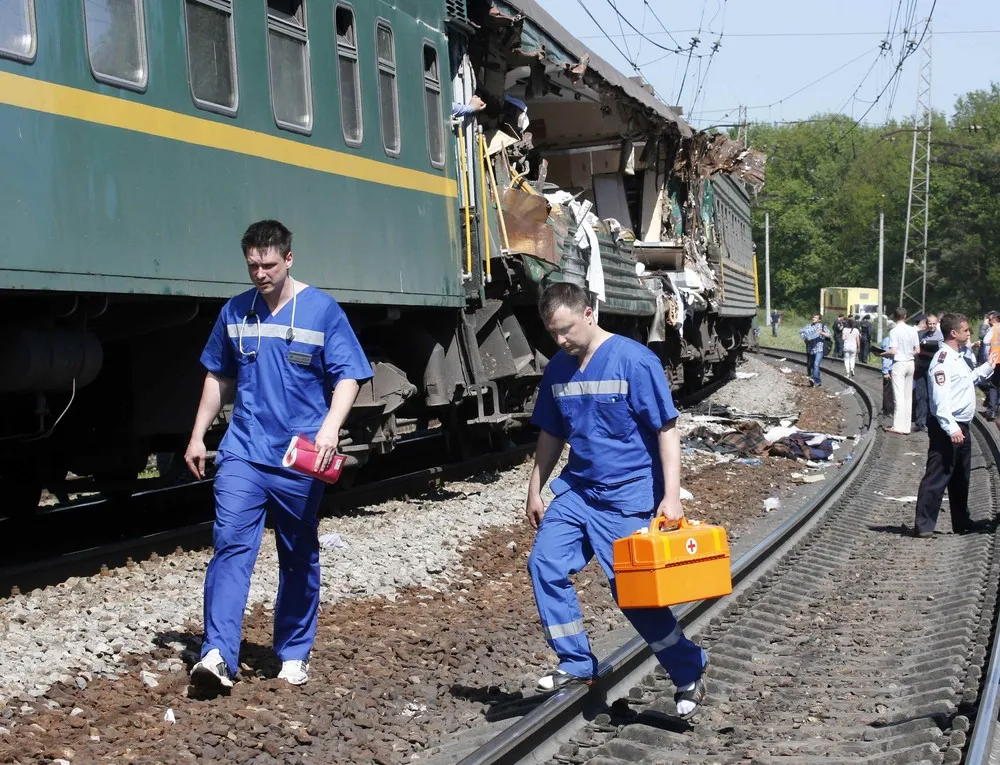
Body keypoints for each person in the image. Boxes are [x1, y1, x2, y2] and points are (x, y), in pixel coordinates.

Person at [184, 220, 373, 691]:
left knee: (298, 553)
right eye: (252, 265)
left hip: (298, 458)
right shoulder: (235, 312)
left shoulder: (322, 311)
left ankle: (292, 652)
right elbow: (218, 378)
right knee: (229, 545)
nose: (260, 273)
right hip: (243, 452)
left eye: (269, 264)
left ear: (289, 259)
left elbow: (348, 375)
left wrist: (331, 427)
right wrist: (197, 435)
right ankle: (217, 655)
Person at [525, 282, 707, 719]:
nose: (560, 340)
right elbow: (552, 433)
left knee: (634, 597)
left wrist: (671, 497)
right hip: (577, 492)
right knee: (544, 564)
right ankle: (575, 663)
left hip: (626, 498)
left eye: (566, 330)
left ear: (590, 313)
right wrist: (534, 486)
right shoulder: (558, 370)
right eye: (553, 333)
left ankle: (688, 669)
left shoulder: (633, 360)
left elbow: (666, 430)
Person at [912, 312, 998, 537]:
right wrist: (951, 428)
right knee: (938, 475)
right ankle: (924, 525)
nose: (970, 333)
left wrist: (987, 367)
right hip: (947, 426)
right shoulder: (942, 361)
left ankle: (962, 521)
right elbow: (940, 401)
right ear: (953, 333)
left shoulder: (958, 357)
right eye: (966, 330)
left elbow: (967, 380)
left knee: (961, 477)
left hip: (962, 425)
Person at [883, 307, 920, 434]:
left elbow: (893, 351)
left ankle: (897, 426)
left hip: (899, 364)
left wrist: (882, 354)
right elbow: (917, 350)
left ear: (895, 317)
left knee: (898, 396)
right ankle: (906, 426)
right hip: (910, 363)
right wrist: (909, 353)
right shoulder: (912, 330)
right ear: (905, 316)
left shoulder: (894, 331)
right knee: (907, 396)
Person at [914, 313, 943, 432]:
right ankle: (920, 422)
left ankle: (932, 421)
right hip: (922, 368)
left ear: (936, 324)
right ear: (926, 324)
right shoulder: (922, 335)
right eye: (929, 323)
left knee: (933, 395)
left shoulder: (940, 336)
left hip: (933, 369)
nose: (931, 326)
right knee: (921, 395)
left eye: (933, 324)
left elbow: (941, 353)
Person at [799, 314, 831, 387]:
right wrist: (805, 338)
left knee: (816, 364)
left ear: (819, 320)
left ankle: (814, 379)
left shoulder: (822, 326)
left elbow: (829, 335)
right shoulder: (808, 326)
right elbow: (802, 334)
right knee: (813, 365)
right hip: (811, 349)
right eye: (813, 317)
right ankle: (818, 381)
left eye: (815, 317)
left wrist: (821, 332)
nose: (813, 318)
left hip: (819, 348)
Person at [981, 312, 1000, 420]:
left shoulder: (995, 328)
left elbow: (985, 340)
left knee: (994, 386)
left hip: (997, 360)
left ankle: (992, 411)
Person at [881, 324, 895, 417]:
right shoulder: (888, 340)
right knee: (888, 390)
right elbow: (886, 357)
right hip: (889, 368)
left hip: (893, 367)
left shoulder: (892, 340)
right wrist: (885, 371)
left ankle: (890, 409)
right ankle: (887, 410)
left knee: (891, 390)